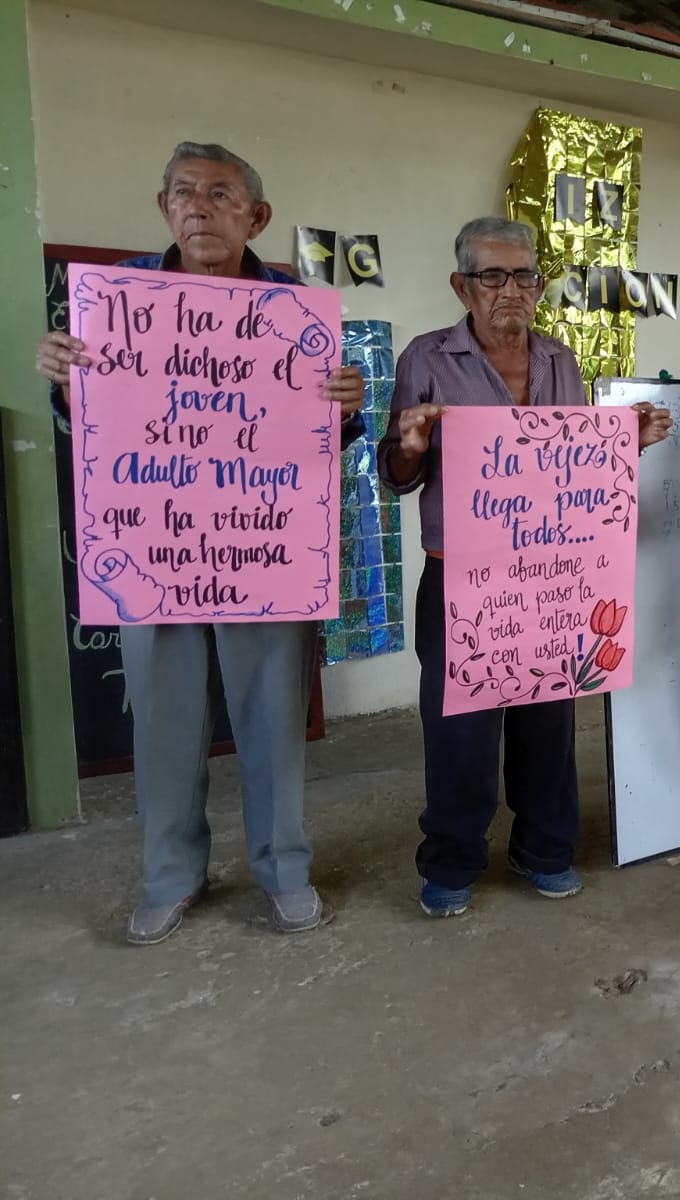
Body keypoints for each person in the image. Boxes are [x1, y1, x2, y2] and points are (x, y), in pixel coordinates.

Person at [34, 142, 368, 944]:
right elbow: (92, 423)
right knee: (165, 725)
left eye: (221, 194)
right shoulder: (116, 301)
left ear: (257, 216)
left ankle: (283, 870)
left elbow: (322, 437)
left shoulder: (296, 310)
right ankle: (171, 876)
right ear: (164, 208)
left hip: (264, 551)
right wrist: (66, 383)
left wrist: (347, 405)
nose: (199, 207)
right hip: (154, 553)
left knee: (274, 721)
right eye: (183, 192)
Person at [379, 217, 671, 918]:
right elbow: (394, 475)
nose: (510, 289)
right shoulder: (426, 357)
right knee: (461, 732)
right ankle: (452, 859)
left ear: (538, 286)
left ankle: (543, 849)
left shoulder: (559, 361)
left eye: (524, 276)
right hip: (461, 576)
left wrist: (626, 442)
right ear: (463, 286)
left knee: (549, 719)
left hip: (553, 573)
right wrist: (412, 446)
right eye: (492, 275)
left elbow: (570, 466)